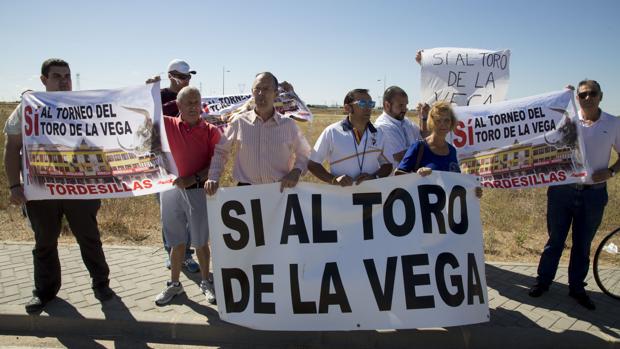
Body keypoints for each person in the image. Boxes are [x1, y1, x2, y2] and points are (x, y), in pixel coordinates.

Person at [3, 58, 114, 313]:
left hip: (79, 189)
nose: (64, 81)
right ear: (44, 80)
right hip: (40, 190)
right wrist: (13, 186)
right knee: (45, 241)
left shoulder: (83, 106)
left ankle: (101, 283)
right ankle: (44, 292)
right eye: (57, 76)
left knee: (89, 238)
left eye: (67, 76)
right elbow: (12, 149)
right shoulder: (27, 108)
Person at [529, 80, 620, 310]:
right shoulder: (566, 119)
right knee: (555, 240)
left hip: (593, 194)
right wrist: (560, 99)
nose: (587, 97)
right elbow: (540, 135)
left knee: (583, 244)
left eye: (592, 93)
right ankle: (543, 282)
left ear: (601, 96)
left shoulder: (614, 123)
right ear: (577, 98)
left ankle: (577, 288)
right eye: (582, 95)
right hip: (562, 191)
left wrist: (610, 171)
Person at [155, 86, 221, 306]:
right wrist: (149, 90)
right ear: (179, 106)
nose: (194, 107)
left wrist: (192, 178)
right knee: (176, 242)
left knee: (201, 242)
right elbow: (145, 113)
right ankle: (174, 285)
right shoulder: (167, 124)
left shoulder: (211, 131)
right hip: (171, 190)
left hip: (198, 191)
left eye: (197, 102)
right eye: (188, 103)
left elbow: (216, 163)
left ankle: (205, 281)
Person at [204, 72, 311, 195]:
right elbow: (221, 152)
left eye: (266, 89)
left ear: (276, 94)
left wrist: (296, 171)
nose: (261, 94)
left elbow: (305, 152)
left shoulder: (289, 125)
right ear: (252, 92)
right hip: (245, 193)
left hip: (279, 192)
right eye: (257, 89)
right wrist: (213, 177)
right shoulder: (238, 122)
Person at [147, 59, 200, 273]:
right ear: (170, 76)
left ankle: (186, 255)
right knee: (169, 213)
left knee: (188, 213)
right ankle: (171, 253)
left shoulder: (194, 99)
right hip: (164, 165)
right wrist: (147, 91)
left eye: (188, 76)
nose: (186, 80)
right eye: (181, 76)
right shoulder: (157, 96)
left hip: (188, 164)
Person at [395, 101, 483, 197]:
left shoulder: (452, 151)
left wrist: (472, 191)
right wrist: (418, 175)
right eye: (438, 120)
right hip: (422, 208)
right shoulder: (419, 147)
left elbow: (456, 183)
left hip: (447, 210)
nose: (443, 124)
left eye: (446, 120)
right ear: (431, 122)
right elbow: (397, 175)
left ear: (451, 123)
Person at [307, 89, 392, 185]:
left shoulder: (380, 132)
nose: (368, 108)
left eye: (371, 104)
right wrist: (334, 179)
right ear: (348, 108)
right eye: (363, 103)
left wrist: (374, 177)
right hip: (342, 196)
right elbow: (312, 164)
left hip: (372, 195)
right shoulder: (332, 132)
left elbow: (388, 165)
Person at [374, 86, 427, 168]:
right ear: (387, 105)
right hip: (396, 179)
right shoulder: (383, 126)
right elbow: (401, 156)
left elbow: (424, 136)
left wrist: (424, 118)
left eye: (406, 105)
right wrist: (431, 150)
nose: (405, 109)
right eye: (401, 105)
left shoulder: (405, 121)